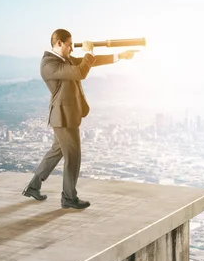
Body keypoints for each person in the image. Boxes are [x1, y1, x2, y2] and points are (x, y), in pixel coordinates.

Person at [22, 28, 137, 209]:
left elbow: (90, 63)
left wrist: (119, 56)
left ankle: (33, 186)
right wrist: (89, 51)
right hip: (64, 117)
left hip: (65, 116)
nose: (72, 49)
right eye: (69, 45)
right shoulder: (49, 64)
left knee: (56, 152)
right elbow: (81, 72)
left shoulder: (63, 59)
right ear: (58, 43)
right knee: (73, 156)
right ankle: (68, 198)